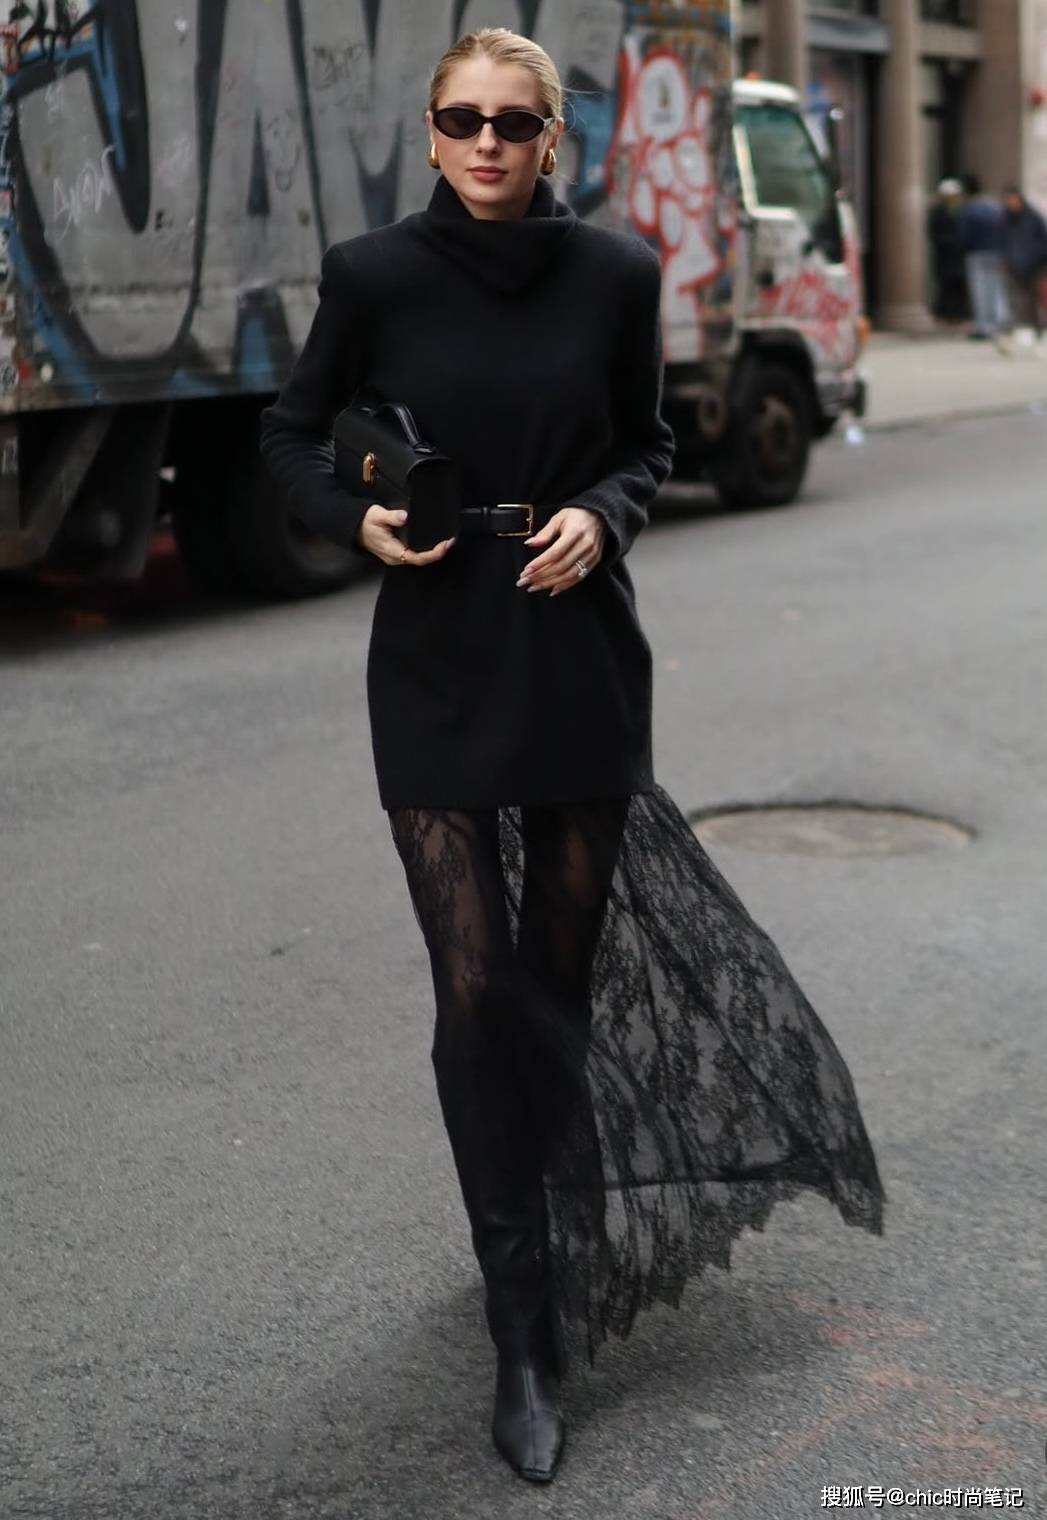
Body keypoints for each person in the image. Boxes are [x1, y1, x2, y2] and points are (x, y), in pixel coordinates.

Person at [259, 27, 885, 1486]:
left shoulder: (614, 273)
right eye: (460, 120)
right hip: (435, 655)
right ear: (430, 133)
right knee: (477, 990)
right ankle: (522, 1325)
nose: (484, 143)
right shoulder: (372, 275)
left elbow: (646, 445)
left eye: (511, 122)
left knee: (552, 984)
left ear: (554, 137)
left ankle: (534, 1217)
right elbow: (289, 438)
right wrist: (355, 519)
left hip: (577, 653)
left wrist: (603, 514)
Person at [957, 173, 1010, 343]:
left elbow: (964, 235)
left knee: (980, 289)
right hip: (996, 252)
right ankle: (1000, 321)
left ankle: (984, 325)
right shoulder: (994, 206)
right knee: (996, 287)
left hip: (977, 253)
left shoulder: (969, 208)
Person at [1001, 183, 1047, 344]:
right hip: (1014, 265)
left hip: (1035, 264)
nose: (1011, 203)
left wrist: (1038, 258)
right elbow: (1003, 241)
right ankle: (1018, 328)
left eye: (1013, 200)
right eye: (1008, 200)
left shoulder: (1033, 217)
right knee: (1017, 298)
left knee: (1034, 298)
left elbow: (1042, 241)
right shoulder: (1005, 218)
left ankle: (1037, 328)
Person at [927, 177, 967, 321]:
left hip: (958, 255)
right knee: (945, 285)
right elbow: (934, 233)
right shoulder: (938, 212)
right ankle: (945, 313)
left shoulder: (962, 211)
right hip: (944, 254)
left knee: (959, 285)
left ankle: (958, 314)